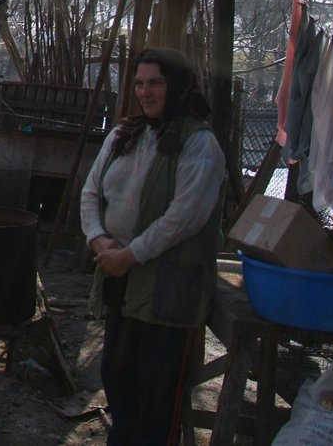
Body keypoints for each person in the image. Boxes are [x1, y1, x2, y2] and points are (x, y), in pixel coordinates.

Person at [79, 47, 225, 446]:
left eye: (156, 82)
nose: (146, 92)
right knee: (118, 377)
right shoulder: (125, 135)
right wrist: (100, 241)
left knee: (156, 399)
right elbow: (90, 193)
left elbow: (184, 217)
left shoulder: (199, 144)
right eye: (140, 83)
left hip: (168, 291)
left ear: (177, 86)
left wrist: (130, 255)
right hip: (121, 280)